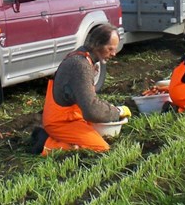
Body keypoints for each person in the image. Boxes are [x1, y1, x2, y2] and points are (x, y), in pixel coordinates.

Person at [32, 24, 131, 155]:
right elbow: (91, 110)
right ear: (97, 45)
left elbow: (88, 101)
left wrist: (110, 110)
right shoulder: (81, 66)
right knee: (101, 148)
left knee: (97, 134)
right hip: (61, 122)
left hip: (73, 116)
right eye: (110, 49)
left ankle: (50, 137)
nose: (114, 54)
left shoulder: (83, 57)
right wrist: (116, 112)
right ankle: (46, 143)